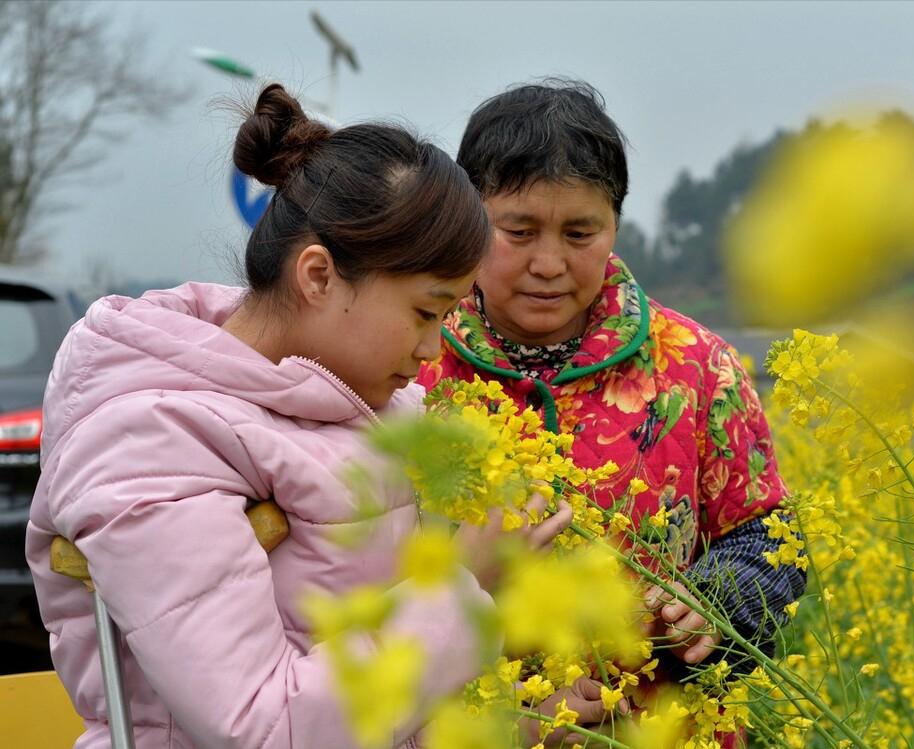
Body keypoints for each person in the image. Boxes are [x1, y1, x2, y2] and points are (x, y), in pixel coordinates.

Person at [25, 84, 572, 749]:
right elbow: (264, 726)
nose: (433, 350)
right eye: (424, 313)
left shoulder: (351, 398)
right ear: (317, 276)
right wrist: (462, 587)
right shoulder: (148, 437)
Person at [418, 80, 806, 701]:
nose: (549, 263)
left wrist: (717, 601)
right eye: (517, 232)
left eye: (580, 234)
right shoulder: (411, 365)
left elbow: (768, 532)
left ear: (616, 225)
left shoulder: (700, 367)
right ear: (466, 221)